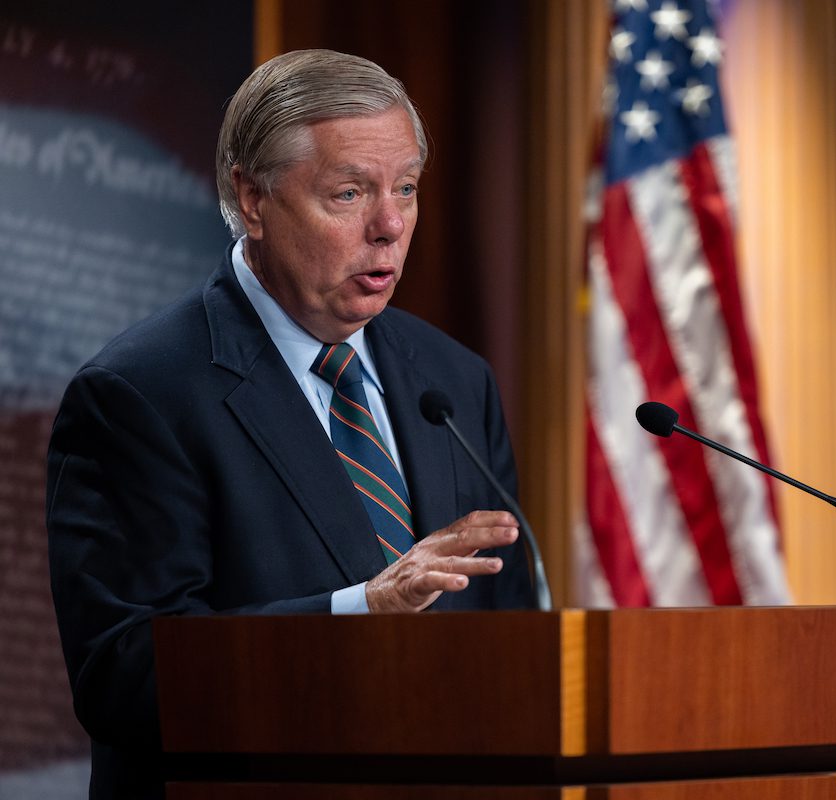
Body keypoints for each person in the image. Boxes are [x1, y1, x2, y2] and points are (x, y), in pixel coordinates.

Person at [46, 49, 534, 800]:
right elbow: (124, 675)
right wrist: (360, 612)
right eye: (349, 193)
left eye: (405, 188)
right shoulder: (140, 393)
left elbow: (507, 634)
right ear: (252, 198)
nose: (391, 225)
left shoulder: (454, 380)